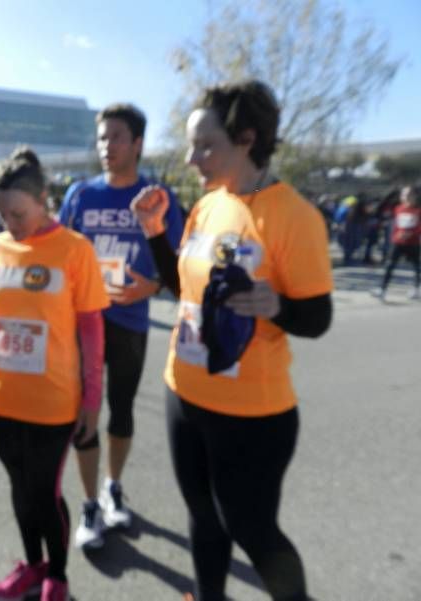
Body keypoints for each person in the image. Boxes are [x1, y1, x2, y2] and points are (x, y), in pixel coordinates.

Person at [131, 80, 333, 601]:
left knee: (250, 528)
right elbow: (184, 291)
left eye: (205, 145)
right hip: (185, 389)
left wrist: (278, 306)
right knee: (203, 518)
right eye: (191, 144)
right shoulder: (209, 204)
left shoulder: (294, 216)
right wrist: (155, 231)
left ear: (246, 138)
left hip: (252, 413)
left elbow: (317, 317)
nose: (191, 157)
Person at [0, 148, 109, 601]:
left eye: (18, 213)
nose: (10, 223)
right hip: (0, 396)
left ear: (44, 199)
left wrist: (93, 399)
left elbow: (92, 329)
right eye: (1, 213)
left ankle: (59, 573)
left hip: (53, 399)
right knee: (20, 489)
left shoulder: (74, 249)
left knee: (44, 492)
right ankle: (32, 565)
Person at [58, 103, 184, 549]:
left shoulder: (158, 196)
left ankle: (114, 488)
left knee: (122, 408)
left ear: (137, 144)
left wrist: (148, 288)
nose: (106, 146)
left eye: (115, 137)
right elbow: (59, 253)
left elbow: (179, 268)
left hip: (130, 320)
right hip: (83, 324)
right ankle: (90, 505)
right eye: (101, 138)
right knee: (84, 413)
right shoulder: (80, 195)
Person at [372, 185, 421, 300]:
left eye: (408, 194)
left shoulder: (418, 210)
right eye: (403, 194)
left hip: (412, 243)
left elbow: (418, 227)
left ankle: (416, 288)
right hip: (397, 242)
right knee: (389, 265)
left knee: (416, 266)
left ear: (415, 196)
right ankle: (382, 289)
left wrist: (411, 233)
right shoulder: (397, 208)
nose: (406, 197)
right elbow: (381, 208)